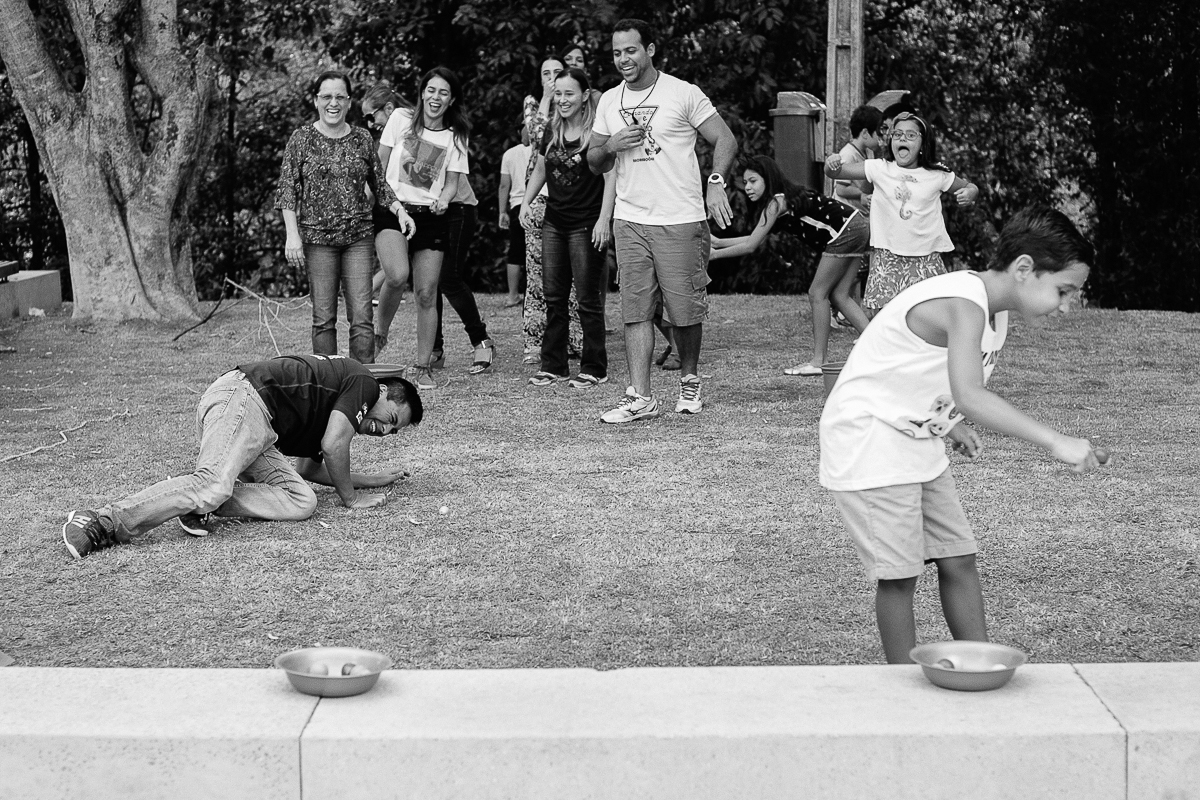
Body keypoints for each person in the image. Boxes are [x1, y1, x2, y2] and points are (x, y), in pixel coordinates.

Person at [819, 206, 1102, 663]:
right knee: (900, 575)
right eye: (1063, 291)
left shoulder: (993, 309)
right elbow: (969, 392)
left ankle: (980, 661)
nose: (1066, 306)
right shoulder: (963, 303)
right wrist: (1055, 440)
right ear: (1024, 269)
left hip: (915, 437)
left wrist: (949, 422)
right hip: (869, 438)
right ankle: (902, 685)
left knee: (958, 558)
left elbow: (920, 369)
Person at [61, 354, 424, 559]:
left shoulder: (336, 408)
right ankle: (103, 521)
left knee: (302, 501)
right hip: (244, 399)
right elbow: (334, 446)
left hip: (259, 428)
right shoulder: (361, 381)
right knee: (213, 483)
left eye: (393, 432)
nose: (384, 431)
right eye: (391, 419)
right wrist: (351, 498)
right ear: (381, 390)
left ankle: (195, 502)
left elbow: (311, 468)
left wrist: (371, 479)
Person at [589, 18, 738, 422]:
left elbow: (725, 138)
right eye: (617, 52)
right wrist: (612, 145)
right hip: (630, 218)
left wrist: (716, 181)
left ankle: (690, 382)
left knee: (684, 310)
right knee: (635, 309)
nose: (624, 59)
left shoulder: (682, 93)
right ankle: (640, 396)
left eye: (631, 50)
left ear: (650, 49)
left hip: (680, 217)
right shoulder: (608, 101)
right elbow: (593, 159)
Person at [277, 70, 412, 364]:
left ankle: (364, 383)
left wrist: (400, 211)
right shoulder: (301, 139)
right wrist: (292, 235)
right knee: (323, 318)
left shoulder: (362, 138)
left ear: (349, 102)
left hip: (358, 240)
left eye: (340, 97)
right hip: (317, 241)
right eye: (326, 96)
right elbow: (287, 189)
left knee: (362, 317)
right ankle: (326, 383)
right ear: (316, 101)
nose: (333, 103)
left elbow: (380, 183)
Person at [710, 155, 871, 377]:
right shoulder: (780, 201)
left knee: (817, 293)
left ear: (768, 178)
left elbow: (750, 246)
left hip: (844, 231)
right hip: (857, 225)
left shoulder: (776, 202)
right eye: (745, 182)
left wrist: (715, 255)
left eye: (753, 181)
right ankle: (877, 343)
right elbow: (754, 238)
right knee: (840, 295)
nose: (747, 187)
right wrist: (717, 242)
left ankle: (819, 360)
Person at [367, 68, 474, 389]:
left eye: (443, 92)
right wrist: (363, 202)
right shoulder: (400, 120)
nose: (435, 97)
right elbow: (378, 166)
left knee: (427, 293)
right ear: (422, 93)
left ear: (451, 98)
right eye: (430, 90)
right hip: (391, 210)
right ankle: (378, 336)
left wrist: (443, 200)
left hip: (431, 217)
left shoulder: (456, 136)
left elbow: (452, 185)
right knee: (397, 275)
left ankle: (423, 365)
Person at [825, 111, 979, 315]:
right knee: (885, 319)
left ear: (923, 144)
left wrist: (969, 193)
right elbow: (836, 173)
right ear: (890, 142)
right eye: (897, 135)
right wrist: (831, 165)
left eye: (910, 135)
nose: (902, 138)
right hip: (887, 258)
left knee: (930, 318)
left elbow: (971, 187)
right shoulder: (879, 168)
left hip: (926, 259)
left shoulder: (938, 174)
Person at [521, 68, 616, 389]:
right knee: (554, 297)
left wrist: (605, 220)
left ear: (585, 95)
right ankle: (554, 365)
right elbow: (543, 166)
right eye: (558, 93)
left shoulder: (597, 133)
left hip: (586, 224)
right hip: (554, 222)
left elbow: (611, 176)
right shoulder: (551, 130)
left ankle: (594, 367)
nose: (562, 100)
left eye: (569, 93)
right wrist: (526, 202)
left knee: (588, 300)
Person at [521, 56, 584, 364]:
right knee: (538, 276)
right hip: (539, 198)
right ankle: (535, 343)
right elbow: (532, 136)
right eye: (545, 73)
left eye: (557, 74)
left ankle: (573, 341)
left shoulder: (580, 111)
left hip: (571, 199)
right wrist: (546, 98)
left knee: (572, 276)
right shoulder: (535, 102)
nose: (551, 78)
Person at [499, 122, 533, 307]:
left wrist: (502, 211)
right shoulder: (543, 150)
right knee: (536, 251)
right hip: (537, 203)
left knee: (515, 251)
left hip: (517, 205)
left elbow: (504, 185)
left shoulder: (510, 154)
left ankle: (513, 295)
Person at [833, 105, 882, 214]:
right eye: (878, 134)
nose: (881, 140)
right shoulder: (848, 155)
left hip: (859, 213)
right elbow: (840, 189)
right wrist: (861, 194)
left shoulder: (869, 152)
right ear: (865, 133)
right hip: (846, 214)